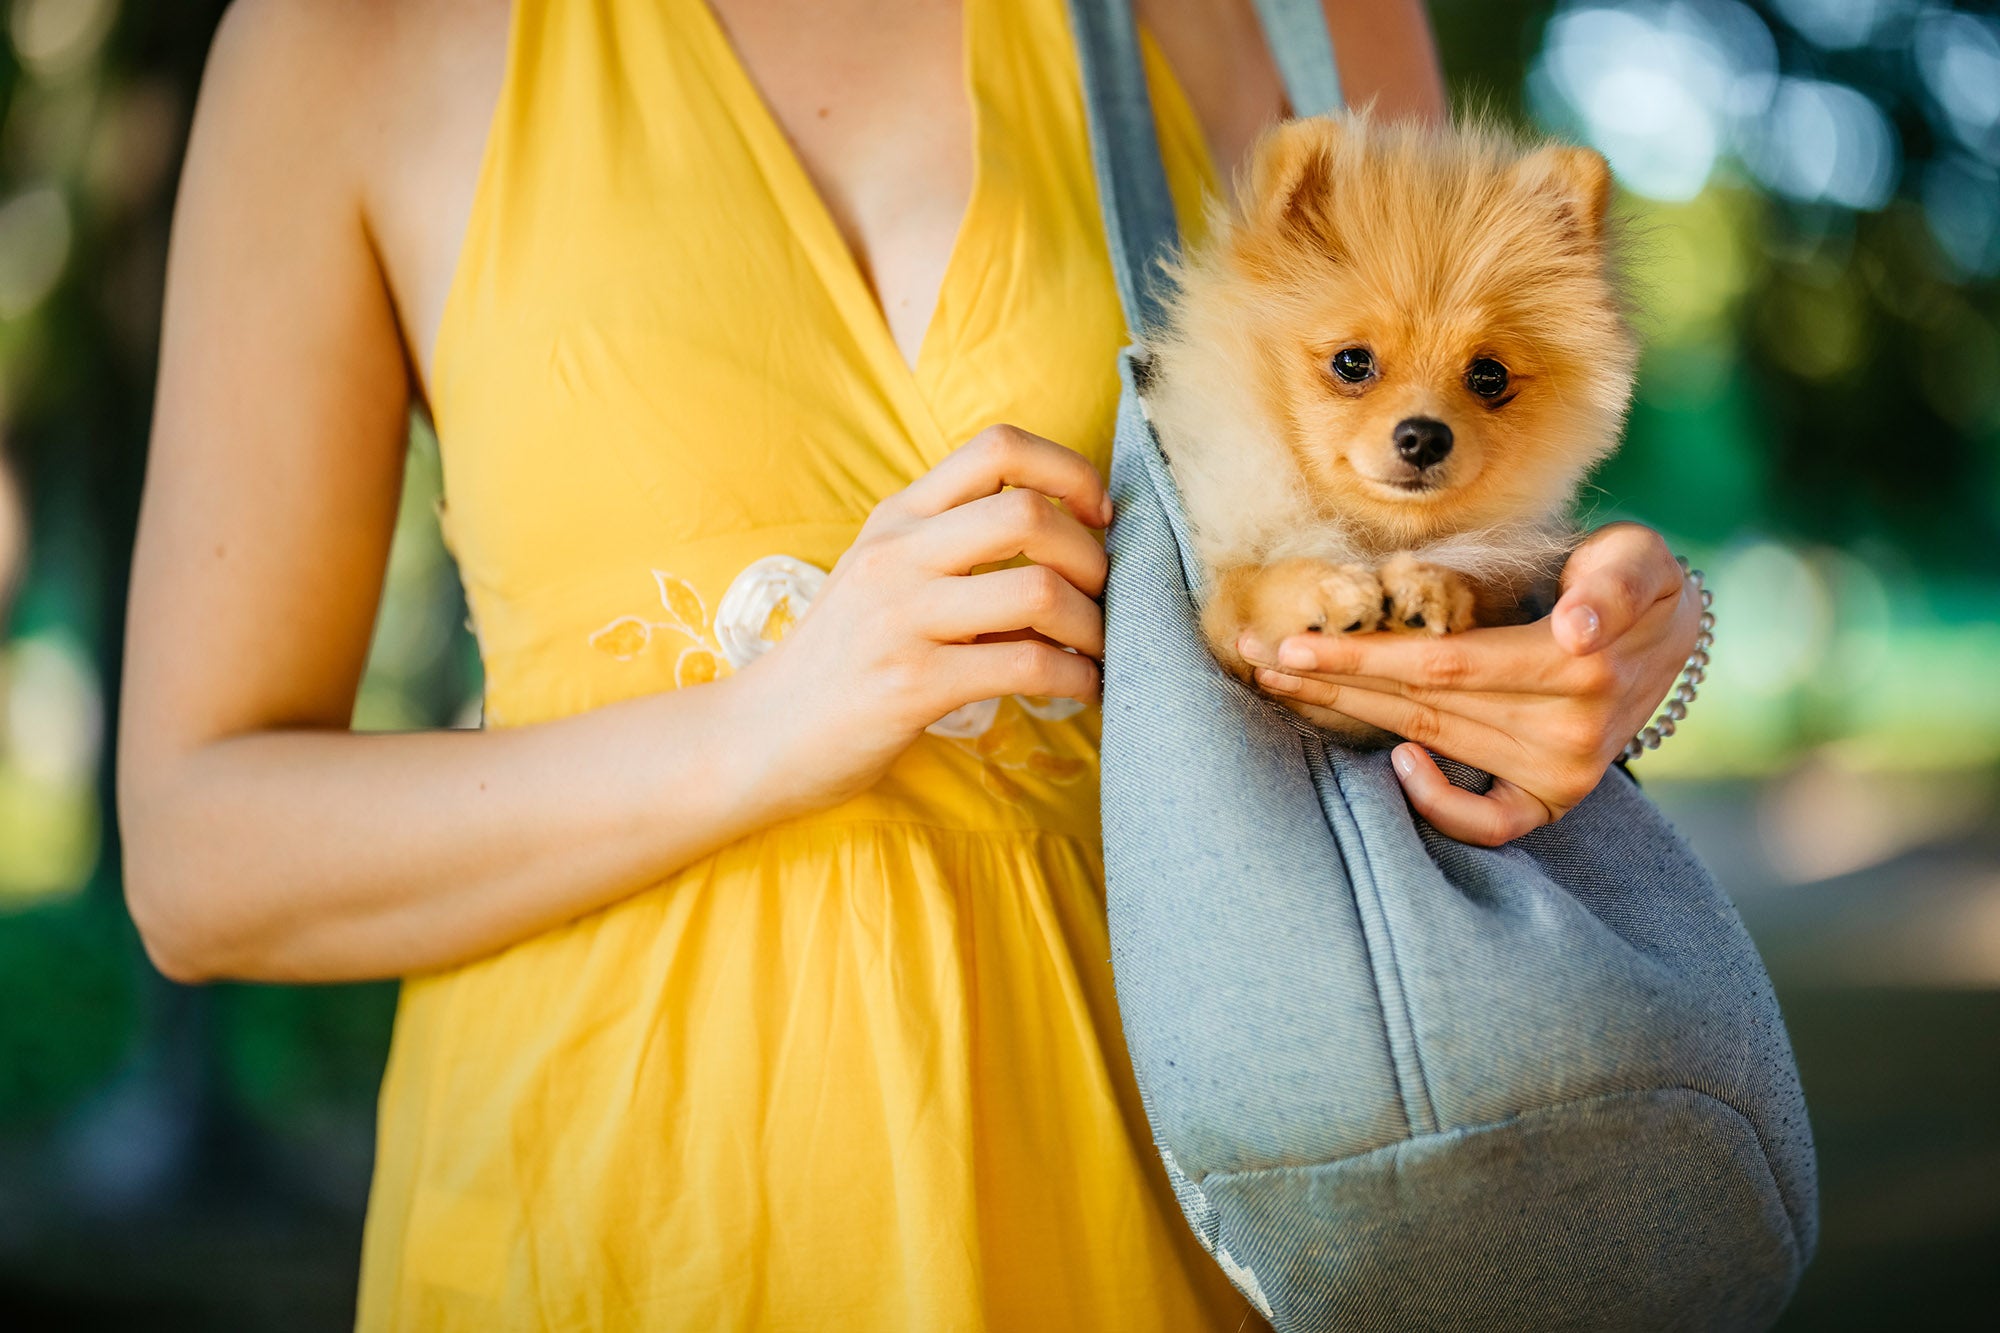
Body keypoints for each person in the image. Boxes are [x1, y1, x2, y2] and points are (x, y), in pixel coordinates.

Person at [117, 0, 1700, 1327]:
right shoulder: (348, 38)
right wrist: (772, 723)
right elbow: (198, 855)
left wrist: (1605, 652)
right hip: (607, 1212)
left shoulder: (1279, 8)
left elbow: (1451, 501)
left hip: (1164, 1183)